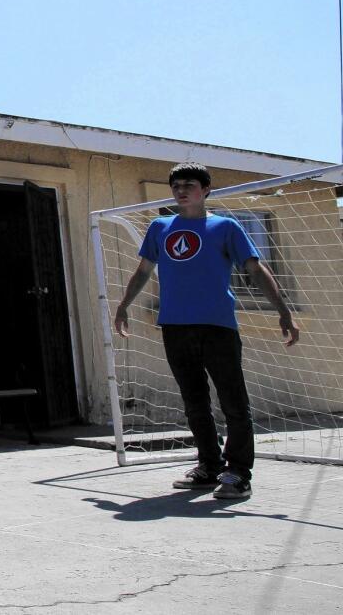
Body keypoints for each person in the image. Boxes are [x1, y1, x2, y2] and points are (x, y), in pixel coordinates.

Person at [114, 161, 299, 501]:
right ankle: (208, 465)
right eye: (176, 185)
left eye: (189, 185)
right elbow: (143, 271)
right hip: (175, 326)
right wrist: (123, 305)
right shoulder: (159, 227)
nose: (181, 190)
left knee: (233, 401)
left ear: (205, 190)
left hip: (217, 326)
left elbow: (255, 270)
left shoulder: (226, 227)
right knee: (195, 402)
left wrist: (284, 310)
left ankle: (238, 472)